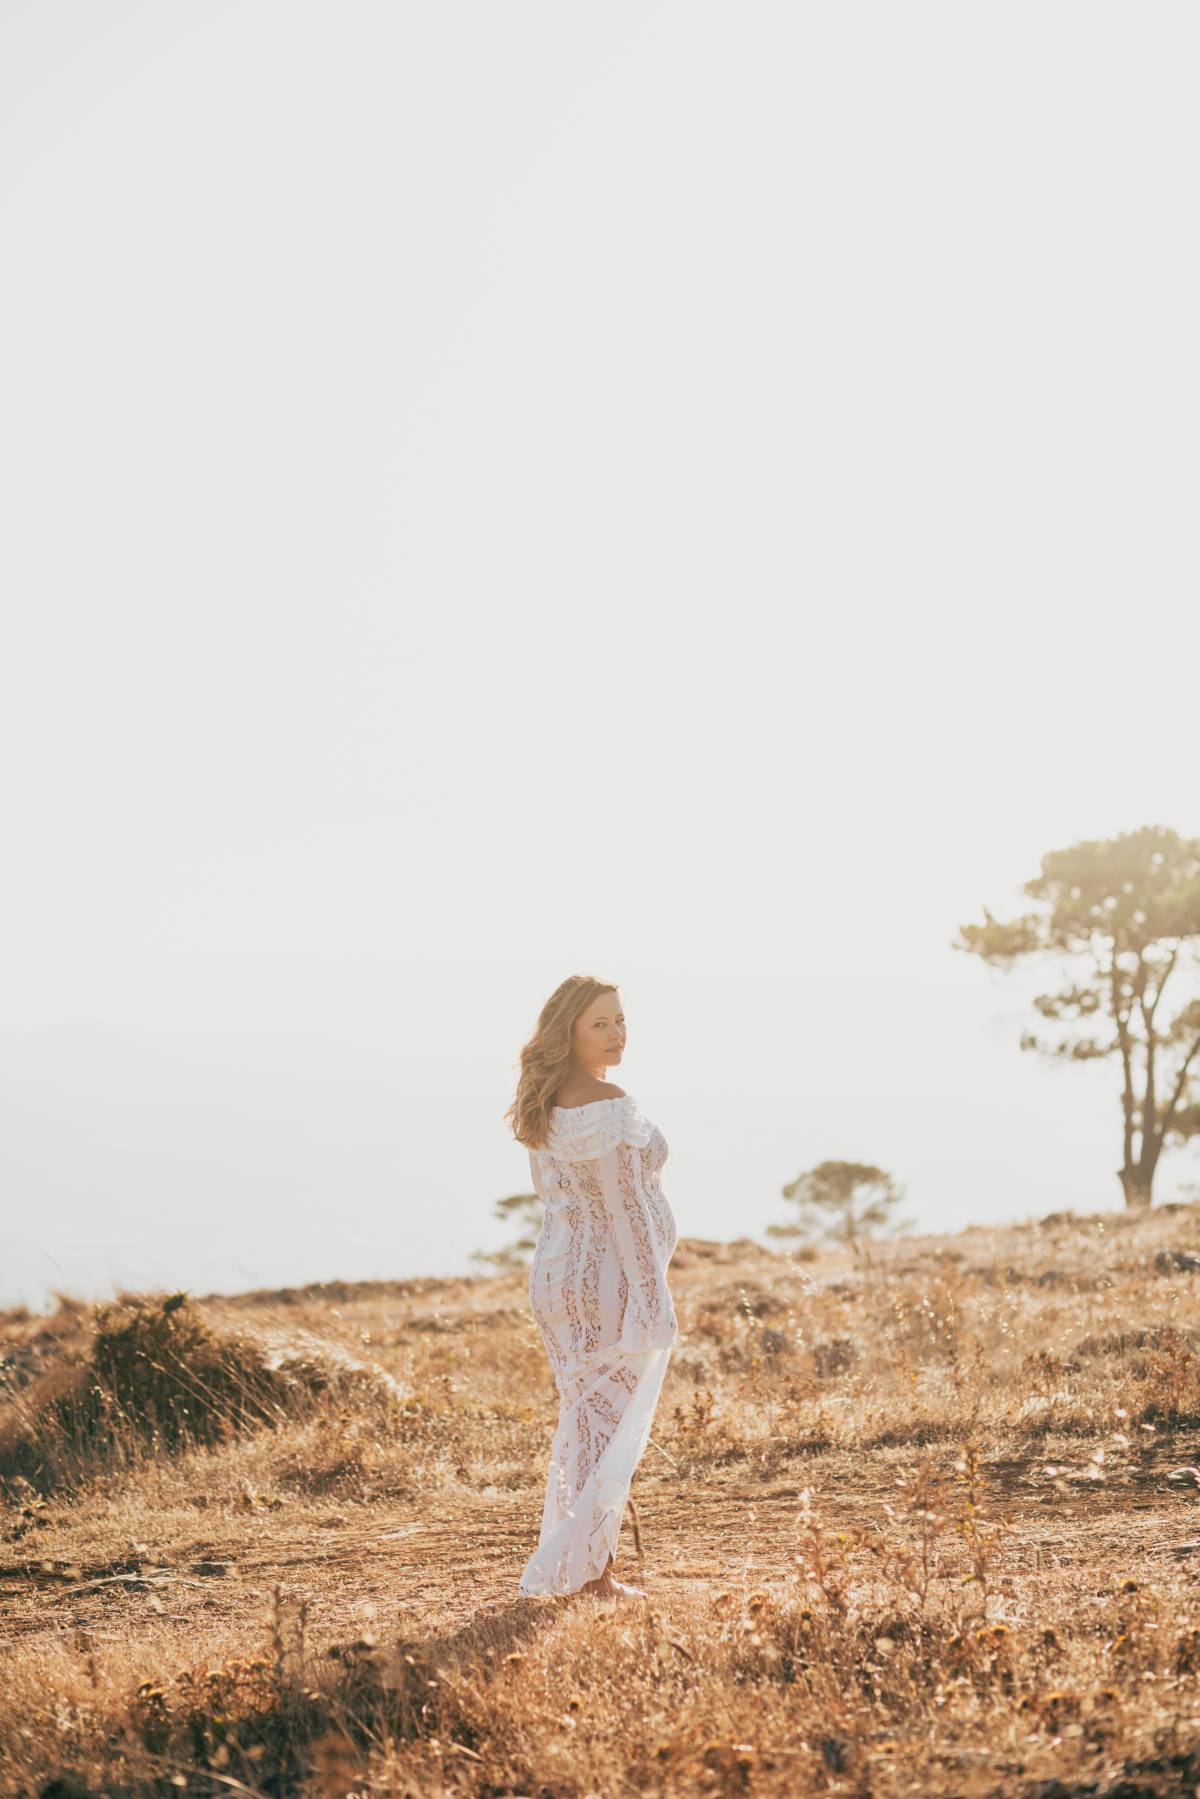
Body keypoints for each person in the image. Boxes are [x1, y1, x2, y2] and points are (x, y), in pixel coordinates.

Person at [505, 976, 679, 1600]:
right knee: (603, 1429)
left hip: (556, 1279)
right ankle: (588, 1574)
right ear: (570, 1032)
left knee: (584, 1422)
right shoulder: (607, 1102)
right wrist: (653, 1302)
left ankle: (583, 1569)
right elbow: (625, 1211)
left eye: (621, 1020)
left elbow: (552, 1197)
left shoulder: (545, 1099)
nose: (616, 1034)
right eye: (600, 1023)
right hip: (607, 1283)